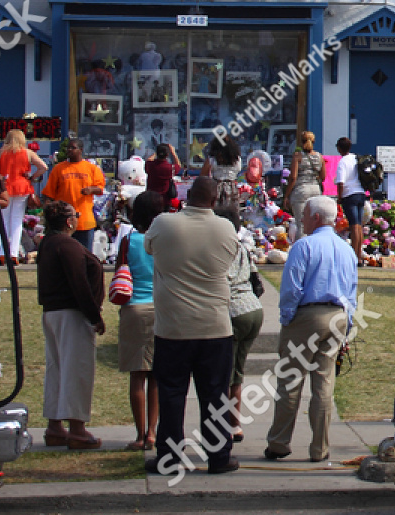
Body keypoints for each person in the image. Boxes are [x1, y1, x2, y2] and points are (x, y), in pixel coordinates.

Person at [145, 176, 241, 476]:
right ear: (215, 200)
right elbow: (232, 258)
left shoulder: (163, 224)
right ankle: (218, 455)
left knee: (171, 394)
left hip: (173, 326)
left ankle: (169, 456)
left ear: (187, 196)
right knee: (215, 394)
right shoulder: (225, 228)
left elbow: (149, 249)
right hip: (214, 325)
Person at [266, 196, 358, 463]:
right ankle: (320, 447)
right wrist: (347, 323)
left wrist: (287, 319)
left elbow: (292, 289)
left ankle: (280, 442)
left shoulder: (303, 246)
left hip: (307, 315)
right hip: (337, 315)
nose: (302, 219)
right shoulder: (346, 249)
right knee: (324, 382)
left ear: (316, 218)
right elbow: (351, 292)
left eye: (304, 215)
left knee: (291, 381)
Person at [34, 199, 106, 450]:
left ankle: (55, 426)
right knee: (76, 369)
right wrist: (94, 316)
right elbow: (79, 282)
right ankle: (77, 428)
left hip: (53, 312)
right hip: (71, 313)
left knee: (57, 368)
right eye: (75, 215)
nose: (77, 218)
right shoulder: (67, 245)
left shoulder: (49, 244)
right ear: (68, 221)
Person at [116, 191, 163, 452]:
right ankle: (154, 432)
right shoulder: (164, 240)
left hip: (134, 307)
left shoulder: (128, 240)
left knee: (137, 375)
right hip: (160, 307)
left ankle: (139, 434)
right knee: (156, 375)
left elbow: (121, 272)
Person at [217, 205, 264, 444]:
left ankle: (227, 424)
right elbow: (255, 278)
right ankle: (234, 425)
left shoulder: (221, 250)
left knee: (225, 374)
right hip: (253, 309)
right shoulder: (243, 248)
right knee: (237, 372)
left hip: (233, 310)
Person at [43, 137, 106, 252]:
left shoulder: (91, 168)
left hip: (84, 220)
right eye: (68, 148)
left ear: (80, 150)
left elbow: (100, 188)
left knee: (84, 253)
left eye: (73, 148)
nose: (69, 150)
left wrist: (90, 189)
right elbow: (49, 194)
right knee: (64, 252)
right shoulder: (59, 169)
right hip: (64, 220)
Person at [0, 128, 48, 261]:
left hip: (5, 187)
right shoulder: (27, 153)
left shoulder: (1, 153)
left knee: (4, 219)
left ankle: (2, 253)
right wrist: (32, 176)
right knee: (17, 220)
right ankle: (13, 253)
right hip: (22, 186)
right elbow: (44, 167)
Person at [283, 131, 324, 242]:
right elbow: (323, 177)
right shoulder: (320, 157)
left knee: (301, 225)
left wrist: (286, 196)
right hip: (316, 191)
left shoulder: (297, 156)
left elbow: (293, 178)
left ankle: (301, 253)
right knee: (315, 225)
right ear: (314, 141)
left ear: (301, 142)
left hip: (301, 191)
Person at [333, 136, 368, 254]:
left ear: (339, 148)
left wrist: (339, 197)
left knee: (353, 225)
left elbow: (340, 182)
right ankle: (359, 254)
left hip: (349, 195)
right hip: (361, 193)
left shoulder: (342, 162)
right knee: (359, 225)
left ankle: (354, 254)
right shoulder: (356, 158)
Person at [201, 135, 242, 210]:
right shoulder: (237, 159)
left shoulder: (212, 159)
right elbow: (238, 170)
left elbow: (202, 176)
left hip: (216, 186)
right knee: (231, 211)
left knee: (216, 211)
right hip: (232, 187)